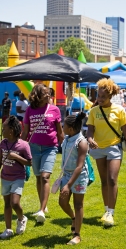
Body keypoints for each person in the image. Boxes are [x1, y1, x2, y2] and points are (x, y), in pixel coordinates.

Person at [87, 78, 126, 227]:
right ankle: (106, 209)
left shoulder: (119, 110)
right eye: (99, 96)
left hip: (114, 147)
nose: (100, 99)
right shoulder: (93, 111)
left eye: (103, 97)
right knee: (104, 181)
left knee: (111, 179)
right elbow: (90, 130)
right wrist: (90, 139)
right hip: (98, 148)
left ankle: (111, 213)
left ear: (110, 96)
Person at [21, 84, 64, 223]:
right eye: (45, 93)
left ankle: (41, 210)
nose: (48, 95)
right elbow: (26, 132)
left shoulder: (55, 109)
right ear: (38, 95)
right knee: (39, 177)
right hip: (33, 147)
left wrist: (66, 146)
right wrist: (19, 147)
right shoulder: (29, 110)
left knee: (45, 176)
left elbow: (60, 131)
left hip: (50, 148)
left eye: (49, 93)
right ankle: (43, 206)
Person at [59, 112, 88, 245]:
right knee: (62, 202)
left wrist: (68, 185)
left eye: (63, 125)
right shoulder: (67, 138)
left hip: (79, 176)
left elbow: (79, 167)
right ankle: (74, 218)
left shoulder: (81, 142)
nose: (62, 127)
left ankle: (77, 234)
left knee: (78, 204)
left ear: (71, 128)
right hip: (67, 175)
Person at [0, 116, 32, 239]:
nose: (2, 131)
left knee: (14, 202)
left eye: (4, 129)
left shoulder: (23, 145)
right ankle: (8, 229)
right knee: (7, 203)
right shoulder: (2, 144)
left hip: (18, 177)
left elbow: (29, 162)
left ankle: (21, 218)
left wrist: (16, 157)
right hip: (5, 177)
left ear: (11, 131)